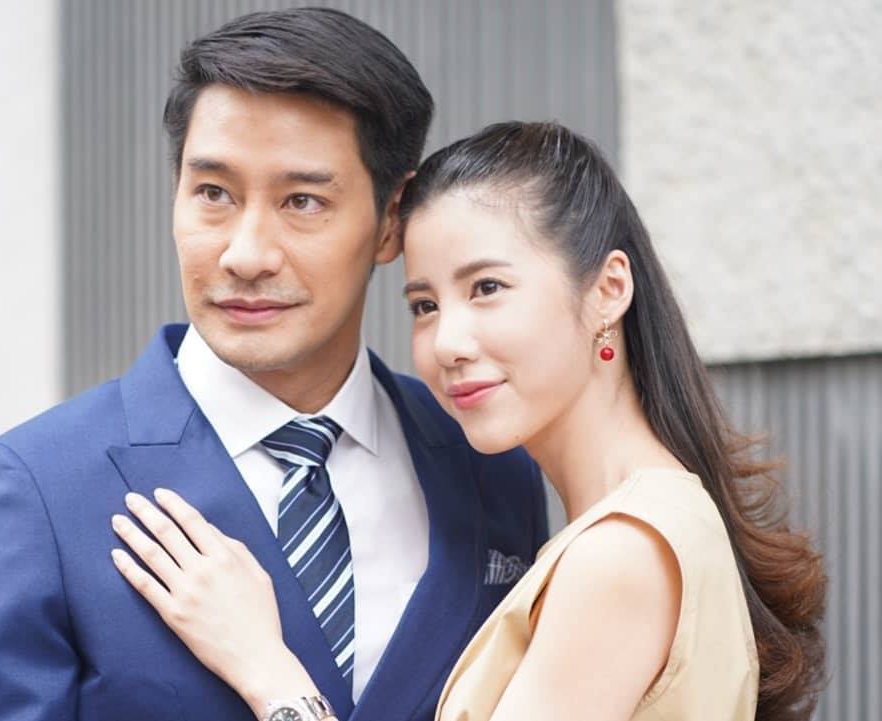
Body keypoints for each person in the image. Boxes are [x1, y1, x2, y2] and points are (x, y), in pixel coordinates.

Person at [0, 9, 548, 721]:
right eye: (214, 194)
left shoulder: (489, 468)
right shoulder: (39, 488)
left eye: (302, 201)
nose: (246, 255)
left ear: (392, 218)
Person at [111, 122, 828, 721]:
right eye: (424, 306)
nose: (448, 342)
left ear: (609, 288)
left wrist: (269, 673)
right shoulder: (641, 523)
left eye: (487, 287)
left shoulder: (621, 556)